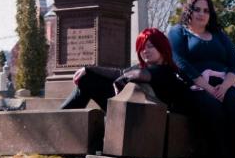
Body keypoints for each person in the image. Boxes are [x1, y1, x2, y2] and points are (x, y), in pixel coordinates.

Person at [168, 0, 235, 158]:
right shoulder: (178, 32)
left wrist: (225, 87)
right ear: (189, 11)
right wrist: (207, 87)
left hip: (224, 85)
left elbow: (234, 65)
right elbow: (180, 62)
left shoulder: (219, 35)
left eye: (206, 10)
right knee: (212, 108)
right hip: (194, 86)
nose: (201, 14)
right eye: (197, 9)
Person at [60, 27, 189, 113]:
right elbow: (119, 72)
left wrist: (122, 80)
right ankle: (62, 117)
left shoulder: (167, 71)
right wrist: (88, 69)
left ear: (162, 47)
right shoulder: (142, 67)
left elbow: (142, 75)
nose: (145, 51)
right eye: (142, 47)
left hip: (145, 118)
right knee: (86, 79)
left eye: (150, 46)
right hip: (124, 108)